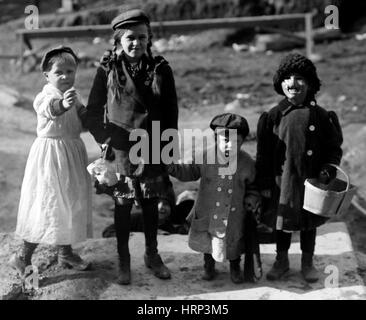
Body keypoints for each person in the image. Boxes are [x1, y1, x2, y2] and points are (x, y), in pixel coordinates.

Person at [84, 8, 179, 285]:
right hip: (121, 151)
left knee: (150, 203)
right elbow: (92, 110)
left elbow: (171, 112)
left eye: (141, 37)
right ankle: (124, 260)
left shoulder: (160, 69)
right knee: (123, 204)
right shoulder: (108, 69)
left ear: (149, 39)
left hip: (151, 147)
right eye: (129, 38)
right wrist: (104, 138)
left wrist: (167, 148)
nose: (135, 43)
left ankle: (152, 254)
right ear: (118, 41)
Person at [255, 53, 343, 283]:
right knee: (282, 223)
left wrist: (329, 168)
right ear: (280, 83)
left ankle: (307, 262)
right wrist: (264, 184)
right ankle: (281, 260)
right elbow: (263, 155)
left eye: (299, 78)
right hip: (282, 182)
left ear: (311, 84)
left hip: (312, 181)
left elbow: (334, 148)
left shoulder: (321, 116)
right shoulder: (273, 116)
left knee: (308, 223)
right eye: (287, 78)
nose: (293, 83)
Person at [9, 46, 93, 275]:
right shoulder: (44, 97)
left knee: (68, 202)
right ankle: (22, 256)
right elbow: (50, 110)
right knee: (49, 204)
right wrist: (64, 105)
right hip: (51, 155)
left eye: (70, 70)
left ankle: (65, 253)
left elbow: (83, 122)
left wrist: (92, 117)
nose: (66, 76)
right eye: (59, 72)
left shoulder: (75, 95)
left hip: (72, 152)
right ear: (47, 75)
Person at [168, 113, 261, 284]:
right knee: (208, 241)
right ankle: (208, 266)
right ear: (215, 138)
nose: (229, 145)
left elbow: (253, 187)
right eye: (225, 140)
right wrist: (171, 167)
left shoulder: (247, 162)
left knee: (234, 242)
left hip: (233, 214)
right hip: (208, 210)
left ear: (243, 141)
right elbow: (188, 171)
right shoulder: (205, 156)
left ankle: (235, 267)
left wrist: (252, 199)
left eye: (236, 141)